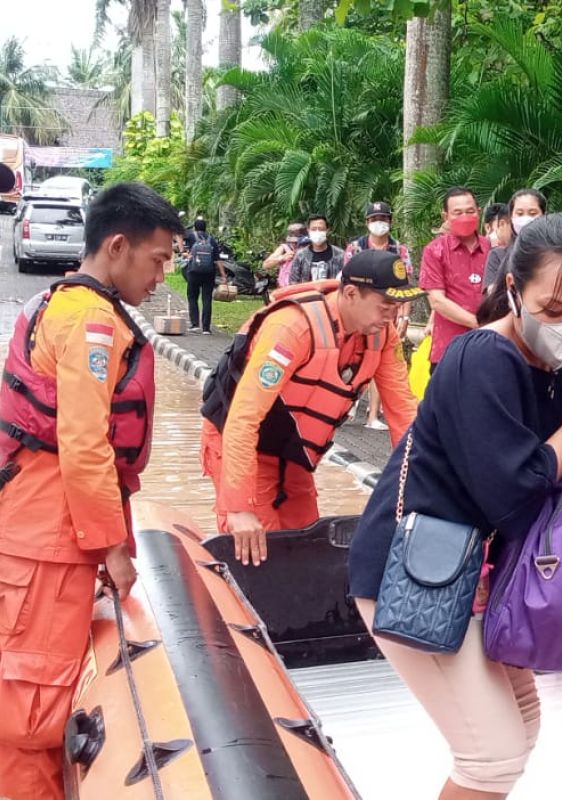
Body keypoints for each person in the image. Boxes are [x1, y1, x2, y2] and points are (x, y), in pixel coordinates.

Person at [347, 213, 562, 800]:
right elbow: (514, 489)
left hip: (480, 573)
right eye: (554, 310)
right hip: (415, 570)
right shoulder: (483, 359)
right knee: (491, 754)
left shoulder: (558, 364)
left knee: (523, 725)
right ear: (513, 290)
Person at [0, 183, 181, 800]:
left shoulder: (64, 304)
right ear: (118, 245)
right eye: (157, 261)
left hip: (43, 526)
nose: (161, 277)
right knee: (30, 715)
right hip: (45, 541)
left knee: (37, 700)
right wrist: (113, 549)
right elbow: (84, 444)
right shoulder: (89, 322)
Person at [200, 250, 421, 566]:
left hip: (294, 455)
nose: (391, 316)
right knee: (258, 556)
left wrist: (419, 490)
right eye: (385, 306)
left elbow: (404, 414)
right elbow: (243, 417)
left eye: (396, 308)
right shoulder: (292, 327)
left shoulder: (381, 337)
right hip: (238, 446)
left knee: (309, 549)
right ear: (350, 294)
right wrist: (239, 506)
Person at [344, 201, 415, 428]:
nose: (379, 224)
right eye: (375, 220)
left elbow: (406, 288)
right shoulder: (355, 248)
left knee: (384, 366)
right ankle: (346, 405)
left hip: (389, 319)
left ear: (390, 222)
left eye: (383, 219)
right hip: (360, 317)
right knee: (355, 361)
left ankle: (373, 414)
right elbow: (347, 284)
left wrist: (403, 317)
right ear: (367, 223)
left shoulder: (399, 251)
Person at [418, 186, 491, 373]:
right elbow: (437, 301)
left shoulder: (493, 249)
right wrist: (479, 324)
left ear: (479, 212)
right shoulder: (435, 251)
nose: (465, 216)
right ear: (445, 217)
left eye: (470, 211)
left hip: (490, 349)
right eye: (457, 212)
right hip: (448, 351)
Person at [484, 189, 546, 291]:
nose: (526, 218)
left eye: (532, 213)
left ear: (544, 215)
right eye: (520, 213)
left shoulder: (554, 252)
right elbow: (492, 296)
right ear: (511, 217)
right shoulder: (498, 256)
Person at [182, 216, 228, 334]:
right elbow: (217, 259)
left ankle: (195, 324)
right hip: (209, 273)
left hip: (194, 271)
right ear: (205, 227)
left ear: (195, 227)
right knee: (207, 298)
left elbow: (187, 253)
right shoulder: (211, 239)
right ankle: (206, 328)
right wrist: (223, 275)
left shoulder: (191, 237)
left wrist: (185, 255)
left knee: (192, 297)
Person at [288, 214, 345, 285]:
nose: (317, 232)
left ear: (327, 230)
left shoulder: (340, 255)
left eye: (321, 229)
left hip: (333, 295)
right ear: (308, 230)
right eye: (314, 229)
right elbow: (293, 282)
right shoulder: (300, 256)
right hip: (306, 294)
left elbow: (345, 281)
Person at [263, 222, 307, 288]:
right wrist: (282, 258)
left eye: (297, 242)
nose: (295, 244)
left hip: (304, 286)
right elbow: (265, 265)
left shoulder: (310, 248)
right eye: (292, 242)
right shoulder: (284, 248)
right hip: (285, 287)